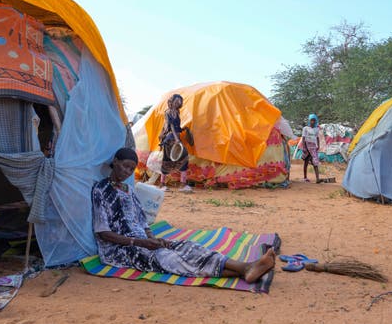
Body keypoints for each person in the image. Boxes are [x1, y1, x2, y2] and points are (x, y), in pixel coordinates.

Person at [91, 147, 276, 282]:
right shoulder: (101, 190)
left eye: (131, 169)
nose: (127, 172)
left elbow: (143, 223)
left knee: (188, 247)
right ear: (115, 162)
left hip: (142, 242)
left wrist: (154, 239)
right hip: (120, 250)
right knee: (169, 259)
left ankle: (246, 269)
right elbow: (103, 233)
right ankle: (245, 269)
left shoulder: (129, 191)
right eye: (124, 166)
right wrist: (139, 242)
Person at [158, 94, 192, 192]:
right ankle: (179, 184)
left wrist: (183, 129)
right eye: (176, 100)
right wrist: (177, 139)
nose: (178, 102)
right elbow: (171, 126)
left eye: (180, 101)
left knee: (171, 159)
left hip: (175, 137)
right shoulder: (168, 112)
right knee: (180, 157)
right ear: (171, 101)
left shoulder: (177, 112)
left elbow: (177, 127)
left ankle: (172, 184)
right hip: (170, 138)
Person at [301, 113, 321, 183]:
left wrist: (318, 145)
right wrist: (304, 147)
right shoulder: (305, 128)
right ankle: (305, 177)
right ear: (309, 121)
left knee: (315, 162)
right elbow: (303, 138)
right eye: (311, 120)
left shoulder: (317, 129)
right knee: (306, 162)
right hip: (307, 146)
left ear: (316, 121)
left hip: (313, 147)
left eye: (314, 120)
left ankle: (317, 178)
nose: (312, 122)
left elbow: (317, 138)